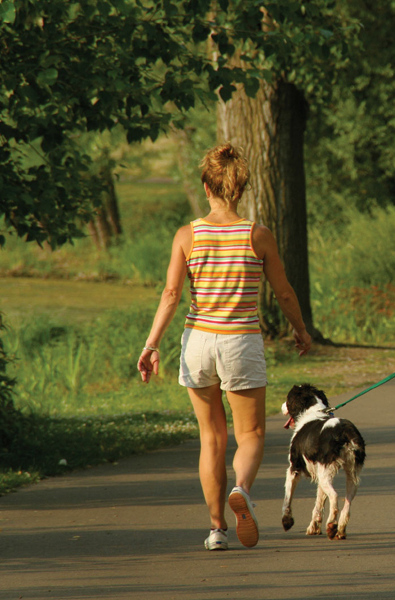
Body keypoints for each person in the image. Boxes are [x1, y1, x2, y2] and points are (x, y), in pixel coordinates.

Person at [137, 143, 312, 551]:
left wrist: (152, 344)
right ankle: (242, 490)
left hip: (198, 341)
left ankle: (217, 530)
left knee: (211, 437)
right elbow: (284, 292)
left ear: (206, 186)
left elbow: (170, 294)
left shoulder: (188, 235)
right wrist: (301, 331)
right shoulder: (257, 235)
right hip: (240, 342)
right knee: (250, 433)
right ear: (241, 188)